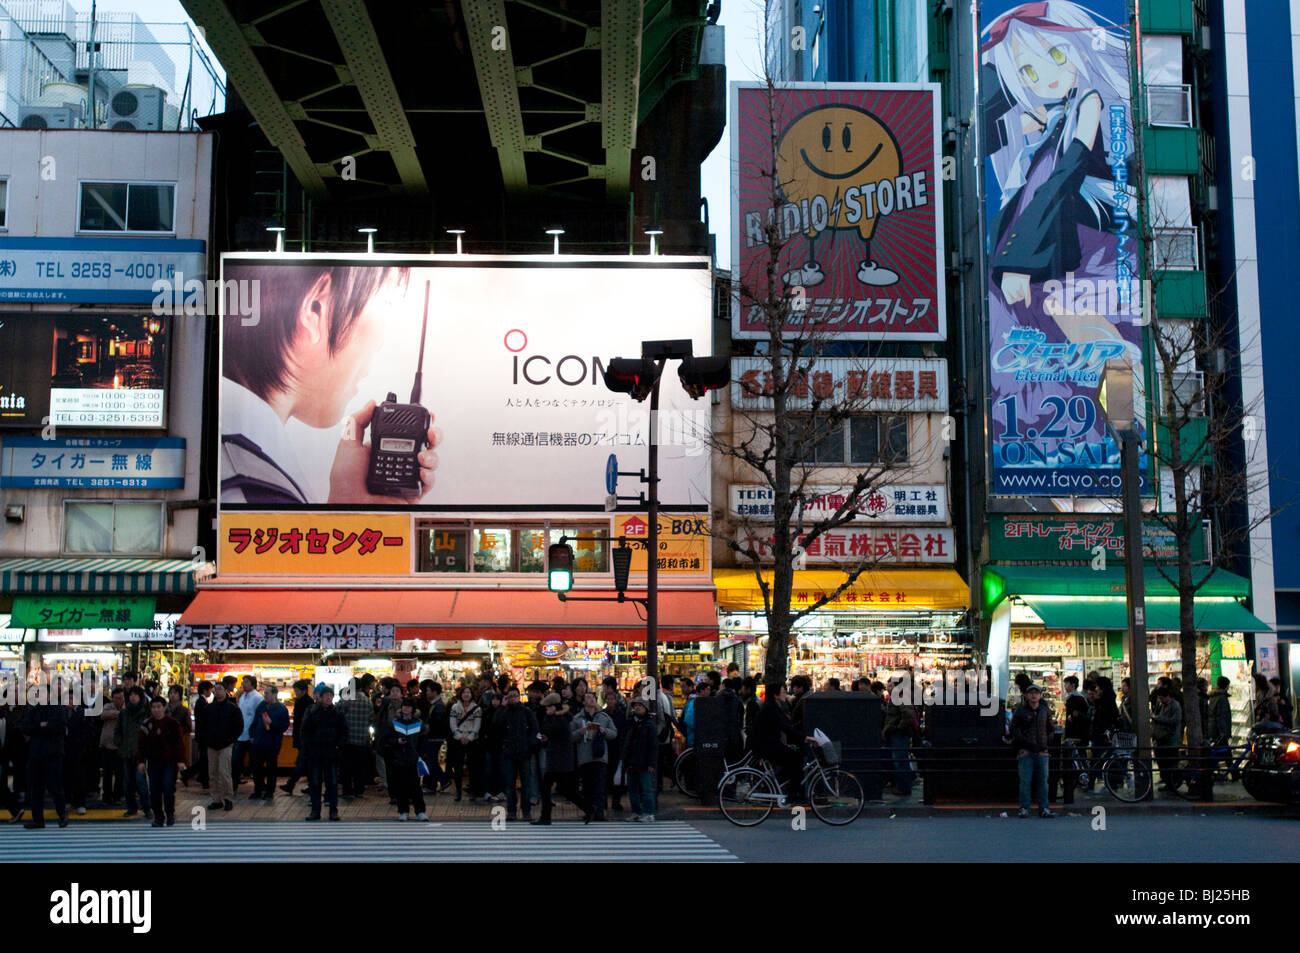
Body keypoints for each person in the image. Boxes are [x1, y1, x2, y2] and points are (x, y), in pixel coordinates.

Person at [219, 263, 443, 505]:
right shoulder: (251, 489)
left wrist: (347, 505)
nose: (381, 343)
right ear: (316, 308)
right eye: (387, 301)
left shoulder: (245, 466)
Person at [751, 682, 820, 801]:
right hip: (767, 745)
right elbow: (785, 727)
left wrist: (801, 737)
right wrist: (805, 738)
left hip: (767, 743)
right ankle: (793, 795)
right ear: (775, 695)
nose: (786, 694)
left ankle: (776, 785)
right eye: (783, 692)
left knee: (792, 759)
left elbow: (788, 726)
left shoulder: (773, 707)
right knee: (796, 759)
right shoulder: (771, 708)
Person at [19, 691, 70, 829]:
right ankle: (38, 819)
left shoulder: (58, 709)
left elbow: (58, 727)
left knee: (55, 787)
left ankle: (62, 815)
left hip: (53, 754)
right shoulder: (34, 710)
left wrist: (40, 728)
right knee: (36, 789)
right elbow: (24, 727)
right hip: (36, 755)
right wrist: (41, 726)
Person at [299, 684, 347, 821]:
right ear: (320, 698)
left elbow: (344, 732)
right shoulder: (313, 713)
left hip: (331, 753)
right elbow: (305, 731)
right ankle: (315, 810)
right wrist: (308, 747)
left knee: (332, 783)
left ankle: (333, 810)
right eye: (326, 696)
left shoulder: (337, 714)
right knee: (315, 783)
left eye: (331, 696)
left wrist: (338, 745)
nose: (328, 698)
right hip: (315, 754)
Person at [1010, 684, 1056, 818]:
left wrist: (1046, 744)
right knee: (1026, 781)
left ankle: (1043, 807)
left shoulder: (1044, 711)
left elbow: (1051, 728)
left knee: (1042, 781)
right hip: (1026, 750)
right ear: (1026, 695)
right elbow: (1014, 729)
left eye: (1036, 693)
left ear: (1040, 695)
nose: (1034, 695)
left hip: (1041, 750)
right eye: (1031, 693)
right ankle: (1025, 807)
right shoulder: (1021, 711)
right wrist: (1023, 744)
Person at [377, 697, 428, 820]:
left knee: (415, 786)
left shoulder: (418, 724)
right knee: (401, 786)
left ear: (412, 709)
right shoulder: (395, 723)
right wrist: (396, 741)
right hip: (398, 759)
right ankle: (403, 811)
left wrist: (421, 755)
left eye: (409, 706)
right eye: (404, 706)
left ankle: (419, 811)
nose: (406, 708)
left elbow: (422, 742)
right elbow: (385, 740)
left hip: (412, 759)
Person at [493, 687, 539, 822]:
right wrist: (502, 706)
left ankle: (526, 811)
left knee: (526, 783)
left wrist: (530, 744)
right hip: (509, 751)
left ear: (519, 697)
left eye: (514, 696)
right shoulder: (505, 712)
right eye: (510, 696)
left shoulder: (526, 712)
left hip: (523, 751)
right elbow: (496, 724)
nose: (512, 699)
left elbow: (535, 728)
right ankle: (511, 811)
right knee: (510, 783)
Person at [138, 696, 184, 827]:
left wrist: (181, 761)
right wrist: (141, 761)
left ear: (164, 707)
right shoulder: (147, 724)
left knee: (168, 788)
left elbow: (179, 744)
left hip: (170, 761)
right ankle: (158, 816)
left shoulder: (173, 723)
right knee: (155, 789)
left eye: (159, 707)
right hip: (153, 762)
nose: (156, 710)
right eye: (153, 707)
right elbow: (141, 745)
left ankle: (170, 814)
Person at [533, 692, 578, 825]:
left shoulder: (560, 719)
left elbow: (547, 730)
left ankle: (545, 817)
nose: (546, 710)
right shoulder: (561, 718)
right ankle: (588, 808)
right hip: (560, 758)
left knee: (547, 787)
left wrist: (544, 734)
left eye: (548, 707)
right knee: (565, 789)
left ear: (553, 707)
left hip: (559, 759)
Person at [571, 692, 617, 823]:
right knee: (587, 786)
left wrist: (604, 731)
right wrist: (581, 732)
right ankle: (589, 811)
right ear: (583, 702)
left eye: (592, 698)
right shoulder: (577, 718)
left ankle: (600, 812)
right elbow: (570, 737)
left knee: (600, 785)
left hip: (600, 756)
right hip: (584, 756)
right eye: (587, 698)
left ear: (596, 700)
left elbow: (614, 733)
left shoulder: (603, 716)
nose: (590, 700)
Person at [204, 682, 243, 812]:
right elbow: (203, 725)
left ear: (225, 691)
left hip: (226, 745)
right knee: (213, 773)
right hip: (212, 745)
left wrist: (231, 740)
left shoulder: (232, 708)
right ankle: (216, 799)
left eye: (220, 689)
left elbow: (238, 726)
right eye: (216, 689)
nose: (217, 691)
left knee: (224, 772)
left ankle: (228, 798)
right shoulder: (209, 708)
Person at [116, 686, 151, 819]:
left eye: (136, 695)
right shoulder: (124, 713)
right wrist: (119, 743)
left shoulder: (146, 712)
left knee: (140, 781)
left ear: (140, 697)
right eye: (131, 695)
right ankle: (131, 808)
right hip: (126, 751)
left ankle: (146, 808)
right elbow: (118, 730)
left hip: (140, 753)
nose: (133, 697)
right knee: (128, 782)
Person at [249, 685, 290, 800]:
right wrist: (252, 735)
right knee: (256, 767)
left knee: (271, 768)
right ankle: (258, 790)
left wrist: (271, 723)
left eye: (267, 693)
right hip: (258, 742)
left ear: (274, 695)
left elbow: (284, 726)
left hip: (272, 744)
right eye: (264, 693)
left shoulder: (281, 709)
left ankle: (269, 791)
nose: (265, 695)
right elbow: (255, 721)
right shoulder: (262, 706)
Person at [623, 696, 660, 822]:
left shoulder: (649, 724)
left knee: (646, 788)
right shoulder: (631, 723)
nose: (637, 707)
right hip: (631, 761)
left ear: (646, 708)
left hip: (644, 762)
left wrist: (651, 763)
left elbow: (654, 746)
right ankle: (636, 812)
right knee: (633, 789)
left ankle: (649, 812)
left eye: (640, 705)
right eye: (635, 705)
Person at [336, 678, 374, 800]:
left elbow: (337, 714)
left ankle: (347, 791)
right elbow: (371, 719)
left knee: (346, 767)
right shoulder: (368, 701)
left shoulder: (346, 700)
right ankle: (359, 790)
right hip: (362, 739)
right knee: (360, 767)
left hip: (348, 740)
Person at [881, 677, 917, 796]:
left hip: (899, 734)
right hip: (896, 733)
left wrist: (898, 728)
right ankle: (901, 785)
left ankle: (903, 788)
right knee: (898, 760)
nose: (888, 687)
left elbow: (908, 715)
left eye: (891, 685)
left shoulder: (900, 697)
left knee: (900, 760)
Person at [278, 679, 314, 796]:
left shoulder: (307, 703)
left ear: (303, 691)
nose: (295, 693)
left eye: (297, 690)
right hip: (301, 737)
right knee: (305, 762)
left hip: (304, 738)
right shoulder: (301, 701)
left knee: (301, 762)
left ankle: (291, 784)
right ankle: (311, 785)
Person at [447, 685, 480, 802]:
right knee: (458, 767)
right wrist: (459, 736)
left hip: (472, 740)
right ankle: (458, 792)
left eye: (468, 693)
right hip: (458, 739)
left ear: (472, 695)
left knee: (472, 766)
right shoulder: (455, 708)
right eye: (464, 693)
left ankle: (473, 792)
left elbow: (477, 724)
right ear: (461, 695)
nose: (466, 695)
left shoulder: (476, 709)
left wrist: (470, 737)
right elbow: (452, 723)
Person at [419, 680, 451, 794]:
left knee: (431, 762)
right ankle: (438, 782)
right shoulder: (436, 705)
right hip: (434, 738)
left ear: (434, 692)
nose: (426, 693)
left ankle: (442, 781)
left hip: (434, 738)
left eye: (428, 691)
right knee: (431, 761)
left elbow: (437, 724)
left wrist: (426, 729)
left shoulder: (438, 707)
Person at [232, 675, 263, 789]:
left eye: (246, 682)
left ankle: (258, 787)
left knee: (255, 763)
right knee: (235, 761)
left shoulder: (258, 698)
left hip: (252, 736)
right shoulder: (242, 697)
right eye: (243, 682)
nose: (243, 684)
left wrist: (255, 734)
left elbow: (259, 717)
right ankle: (233, 785)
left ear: (253, 684)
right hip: (240, 735)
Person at [1151, 684, 1184, 792]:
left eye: (1161, 698)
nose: (1160, 700)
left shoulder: (1175, 706)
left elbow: (1175, 721)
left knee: (1170, 763)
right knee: (1162, 764)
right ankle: (1168, 784)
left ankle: (1173, 784)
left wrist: (1158, 718)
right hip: (1160, 739)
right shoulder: (1160, 705)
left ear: (1167, 696)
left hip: (1170, 740)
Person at [602, 684, 628, 813]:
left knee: (617, 777)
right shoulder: (603, 715)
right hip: (606, 749)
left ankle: (616, 802)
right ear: (605, 700)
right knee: (606, 776)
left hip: (617, 748)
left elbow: (624, 732)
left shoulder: (621, 715)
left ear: (616, 701)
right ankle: (605, 803)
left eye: (613, 699)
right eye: (608, 699)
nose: (611, 701)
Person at [98, 687, 124, 806]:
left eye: (121, 698)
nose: (119, 700)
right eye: (116, 698)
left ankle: (117, 795)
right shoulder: (108, 706)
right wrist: (119, 713)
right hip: (107, 745)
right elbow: (103, 715)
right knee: (107, 773)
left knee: (119, 773)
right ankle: (107, 796)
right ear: (112, 698)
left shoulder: (126, 707)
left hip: (120, 746)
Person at [181, 681, 210, 788]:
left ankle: (199, 777)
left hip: (201, 734)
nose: (211, 692)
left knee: (204, 758)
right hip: (203, 735)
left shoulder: (201, 701)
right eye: (210, 690)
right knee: (204, 758)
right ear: (205, 690)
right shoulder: (201, 702)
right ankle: (189, 774)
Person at [167, 685, 193, 785]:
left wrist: (180, 732)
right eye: (171, 693)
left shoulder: (184, 710)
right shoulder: (165, 708)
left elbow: (188, 726)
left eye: (175, 693)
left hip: (179, 740)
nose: (172, 695)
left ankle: (181, 775)